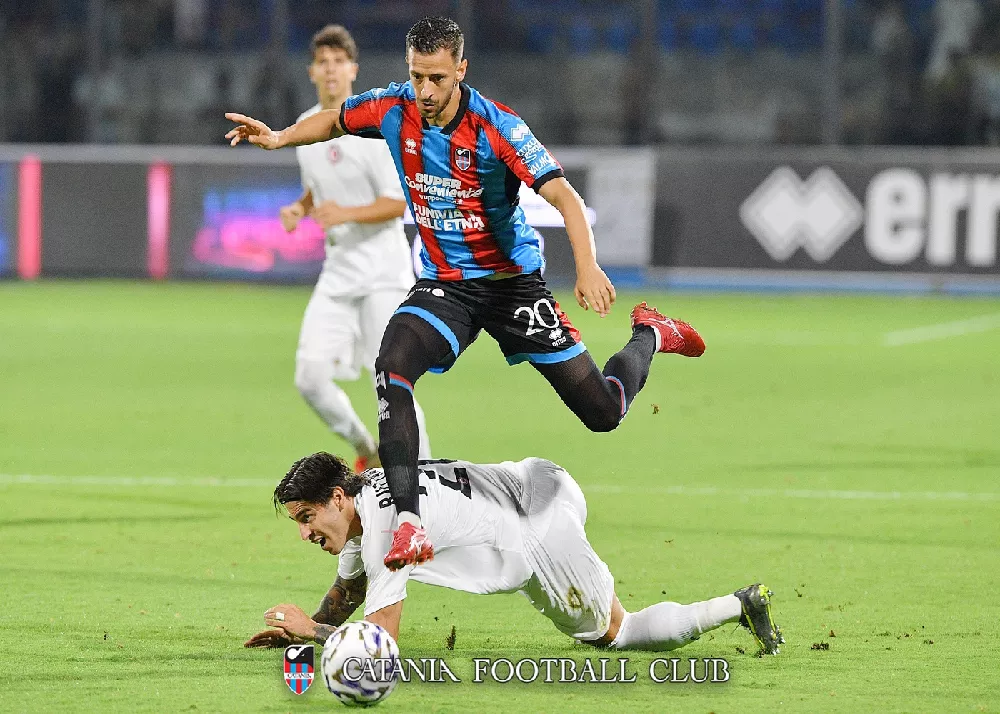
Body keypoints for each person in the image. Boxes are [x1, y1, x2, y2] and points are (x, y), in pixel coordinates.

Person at [226, 17, 706, 571]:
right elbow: (335, 120)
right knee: (393, 366)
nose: (424, 92)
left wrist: (588, 266)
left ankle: (650, 333)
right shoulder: (394, 107)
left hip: (512, 287)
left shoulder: (497, 126)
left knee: (602, 411)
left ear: (461, 68)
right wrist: (281, 136)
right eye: (415, 76)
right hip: (446, 286)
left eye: (436, 78)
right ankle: (409, 522)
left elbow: (566, 198)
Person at [244, 452, 783, 656]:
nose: (303, 532)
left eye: (306, 518)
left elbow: (381, 645)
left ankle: (740, 603)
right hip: (539, 477)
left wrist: (311, 633)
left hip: (540, 539)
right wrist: (305, 628)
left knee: (619, 634)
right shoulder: (375, 491)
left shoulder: (386, 530)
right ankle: (648, 335)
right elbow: (351, 588)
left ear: (337, 499)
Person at [282, 25, 431, 472]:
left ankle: (423, 478)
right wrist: (300, 207)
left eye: (338, 62)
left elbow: (396, 202)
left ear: (353, 70)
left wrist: (342, 213)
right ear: (312, 71)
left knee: (390, 382)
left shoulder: (371, 127)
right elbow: (318, 188)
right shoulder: (307, 128)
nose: (330, 70)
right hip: (340, 272)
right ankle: (366, 446)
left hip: (384, 274)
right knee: (309, 377)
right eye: (322, 63)